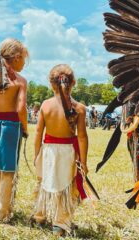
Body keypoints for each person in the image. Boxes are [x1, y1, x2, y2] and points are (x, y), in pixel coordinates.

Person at [32, 64, 88, 236]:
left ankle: (39, 215)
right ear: (73, 83)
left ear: (51, 84)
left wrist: (37, 155)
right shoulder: (79, 108)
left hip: (48, 150)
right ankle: (60, 224)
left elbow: (38, 132)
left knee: (44, 183)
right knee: (67, 188)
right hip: (69, 152)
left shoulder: (46, 105)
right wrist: (83, 162)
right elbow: (82, 137)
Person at [0, 38, 29, 222]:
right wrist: (24, 127)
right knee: (8, 169)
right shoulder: (20, 81)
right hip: (11, 127)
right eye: (24, 59)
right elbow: (21, 109)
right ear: (16, 58)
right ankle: (2, 211)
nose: (24, 63)